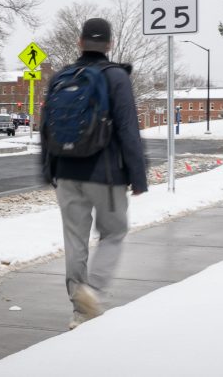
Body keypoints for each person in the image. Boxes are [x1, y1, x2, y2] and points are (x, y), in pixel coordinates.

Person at [40, 17, 148, 329]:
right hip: (106, 174)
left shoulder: (61, 76)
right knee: (113, 232)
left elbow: (45, 128)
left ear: (80, 42)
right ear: (110, 44)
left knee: (75, 241)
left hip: (67, 173)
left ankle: (78, 309)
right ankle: (94, 292)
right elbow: (128, 129)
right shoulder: (116, 77)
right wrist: (138, 176)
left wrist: (49, 170)